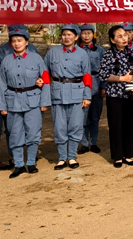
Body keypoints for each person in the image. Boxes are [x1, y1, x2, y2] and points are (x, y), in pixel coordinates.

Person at [0, 28, 50, 178]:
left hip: (33, 100)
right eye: (14, 41)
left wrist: (45, 101)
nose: (17, 43)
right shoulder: (6, 60)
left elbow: (46, 80)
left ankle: (31, 163)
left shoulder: (36, 58)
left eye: (20, 40)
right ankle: (19, 164)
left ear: (26, 42)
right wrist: (2, 105)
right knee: (14, 133)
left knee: (33, 132)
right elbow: (2, 83)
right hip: (12, 100)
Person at [44, 24, 92, 170]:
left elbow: (87, 75)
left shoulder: (82, 53)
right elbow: (45, 72)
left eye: (69, 35)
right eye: (64, 34)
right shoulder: (53, 52)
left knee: (76, 126)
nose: (66, 37)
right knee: (59, 127)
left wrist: (87, 96)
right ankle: (61, 158)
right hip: (57, 93)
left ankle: (71, 157)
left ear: (76, 37)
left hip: (77, 93)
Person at [99, 25, 133, 168]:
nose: (124, 38)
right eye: (119, 36)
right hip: (115, 95)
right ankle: (118, 157)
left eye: (125, 35)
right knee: (115, 125)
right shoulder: (108, 55)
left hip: (131, 95)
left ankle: (128, 155)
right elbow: (103, 74)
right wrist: (121, 79)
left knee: (129, 124)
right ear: (112, 40)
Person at [77, 24, 106, 155]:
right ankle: (84, 143)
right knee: (83, 117)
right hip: (80, 85)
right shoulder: (76, 50)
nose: (86, 36)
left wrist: (103, 87)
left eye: (89, 33)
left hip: (96, 83)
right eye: (84, 33)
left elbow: (104, 70)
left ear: (93, 35)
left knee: (95, 117)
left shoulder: (99, 50)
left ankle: (93, 142)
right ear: (79, 35)